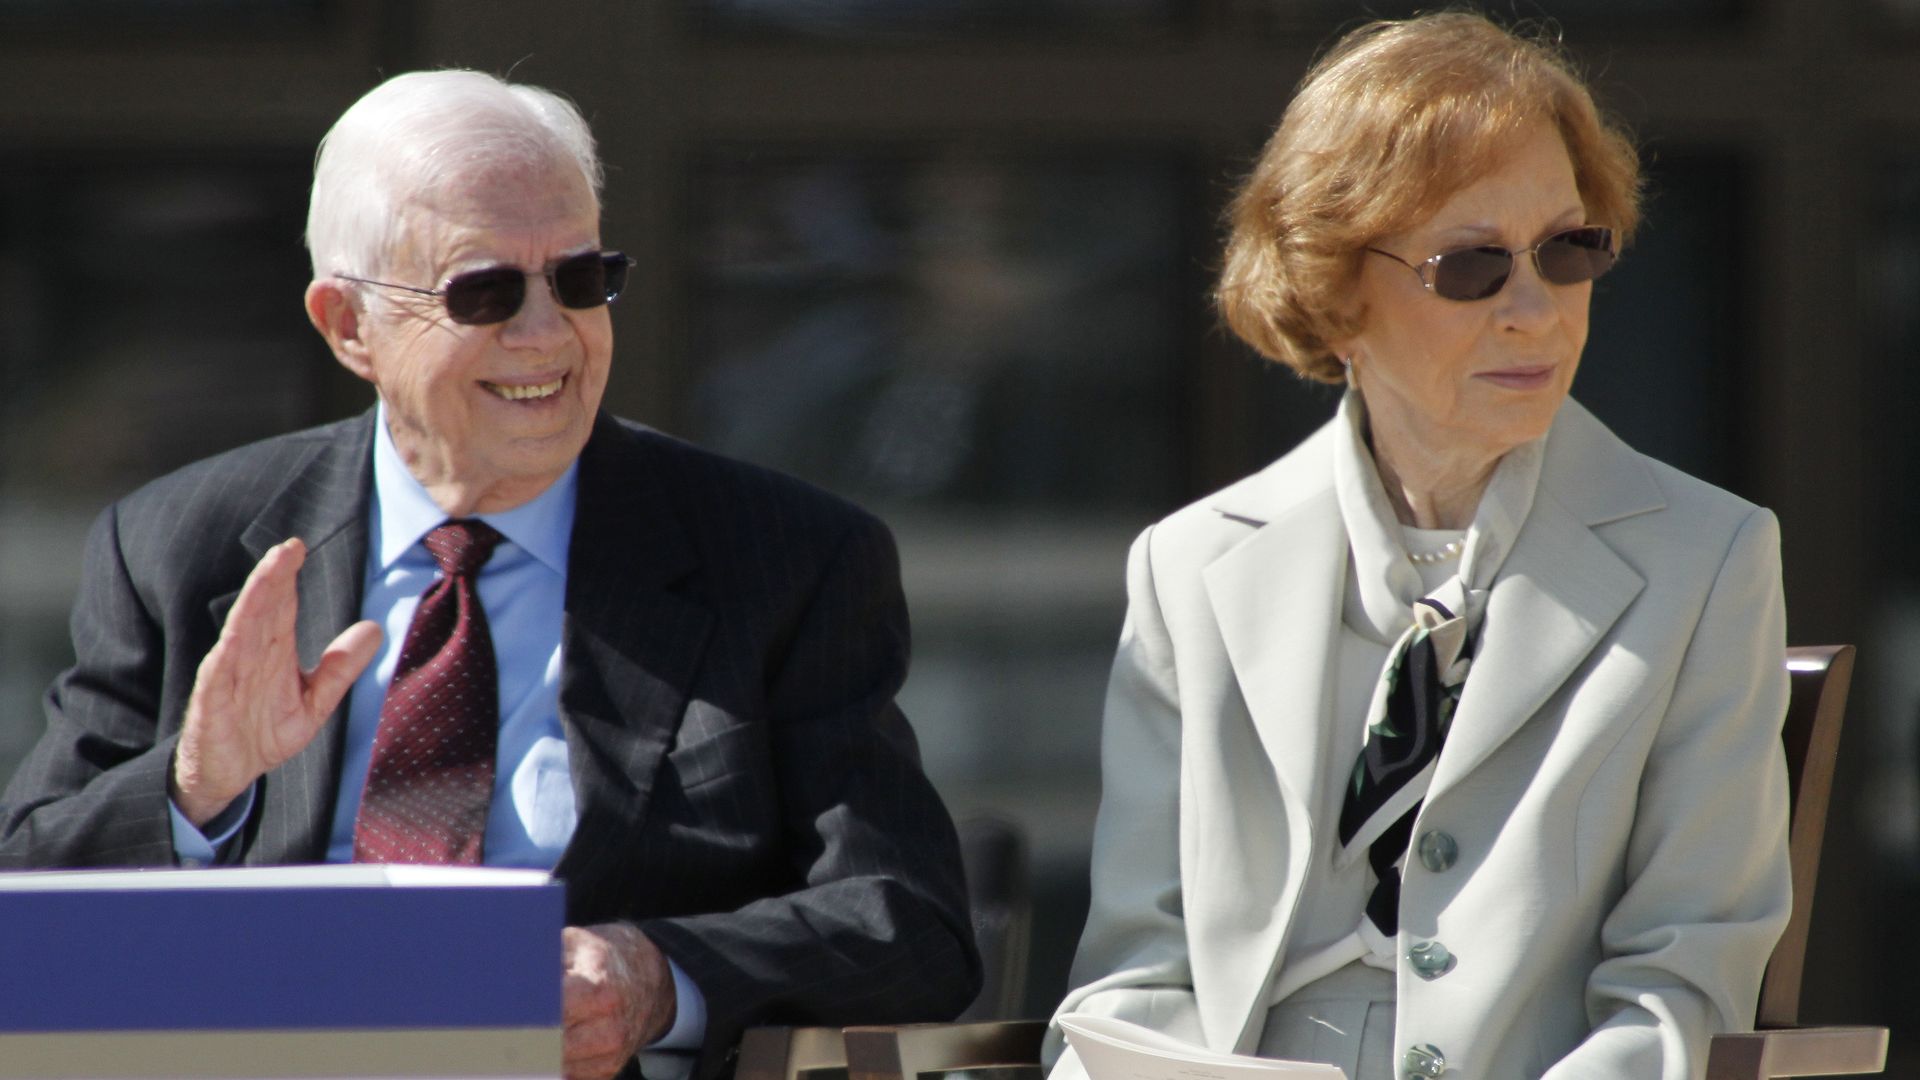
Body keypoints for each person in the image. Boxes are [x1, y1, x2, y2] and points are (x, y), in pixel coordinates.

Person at [0, 70, 980, 1080]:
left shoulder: (783, 557)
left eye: (579, 278)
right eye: (486, 292)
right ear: (348, 326)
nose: (547, 333)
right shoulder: (184, 544)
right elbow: (22, 914)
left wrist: (654, 978)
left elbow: (909, 924)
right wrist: (193, 790)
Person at [1047, 14, 1789, 1080]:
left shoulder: (1708, 557)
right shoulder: (1188, 567)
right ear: (1335, 290)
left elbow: (1684, 990)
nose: (1537, 309)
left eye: (1571, 249)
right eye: (1472, 266)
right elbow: (1139, 976)